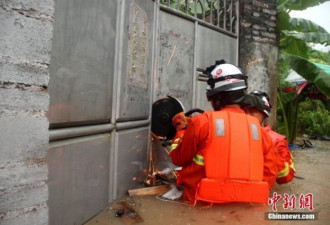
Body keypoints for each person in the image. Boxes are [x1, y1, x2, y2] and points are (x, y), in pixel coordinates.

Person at [169, 60, 277, 205]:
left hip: (201, 204)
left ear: (215, 98)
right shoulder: (260, 131)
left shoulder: (201, 122)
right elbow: (269, 174)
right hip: (244, 209)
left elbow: (178, 158)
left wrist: (181, 130)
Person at [242, 91, 295, 184]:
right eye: (244, 111)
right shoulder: (231, 132)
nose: (247, 116)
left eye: (253, 111)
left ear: (264, 115)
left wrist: (270, 151)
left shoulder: (277, 141)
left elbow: (286, 176)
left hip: (260, 192)